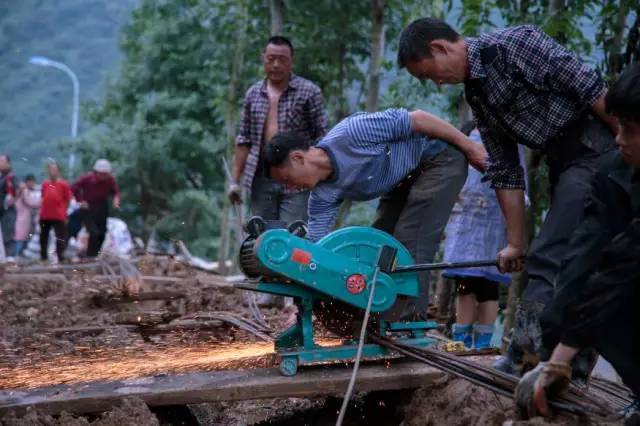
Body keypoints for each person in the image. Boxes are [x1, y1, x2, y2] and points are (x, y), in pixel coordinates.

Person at [397, 18, 617, 376]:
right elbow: (505, 168)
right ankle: (572, 363)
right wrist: (515, 243)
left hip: (598, 148)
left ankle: (526, 353)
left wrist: (629, 150)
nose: (436, 83)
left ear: (441, 47)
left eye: (430, 73)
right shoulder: (477, 96)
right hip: (562, 161)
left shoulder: (517, 44)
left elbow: (590, 88)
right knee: (583, 258)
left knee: (551, 254)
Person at [264, 108, 487, 319]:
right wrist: (299, 291)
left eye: (287, 180)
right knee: (379, 246)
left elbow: (419, 119)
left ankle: (408, 324)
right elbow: (316, 250)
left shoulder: (352, 133)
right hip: (402, 178)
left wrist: (469, 146)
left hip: (438, 157)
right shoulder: (322, 196)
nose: (291, 189)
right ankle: (376, 317)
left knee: (411, 240)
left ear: (297, 158)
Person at [514, 64, 640, 424]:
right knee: (591, 310)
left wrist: (562, 356)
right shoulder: (615, 172)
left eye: (629, 131)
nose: (618, 139)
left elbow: (623, 268)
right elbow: (583, 257)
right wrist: (552, 353)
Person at [228, 35, 328, 224]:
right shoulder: (253, 94)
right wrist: (235, 181)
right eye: (271, 58)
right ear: (263, 58)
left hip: (297, 181)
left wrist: (316, 174)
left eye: (282, 59)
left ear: (291, 62)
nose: (275, 65)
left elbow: (322, 137)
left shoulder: (309, 92)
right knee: (262, 239)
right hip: (261, 179)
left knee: (292, 238)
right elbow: (244, 140)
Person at [443, 123, 525, 349]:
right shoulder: (465, 133)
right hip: (465, 218)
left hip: (494, 218)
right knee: (464, 283)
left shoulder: (510, 138)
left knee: (488, 281)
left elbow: (520, 179)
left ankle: (483, 343)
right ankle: (461, 338)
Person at [71, 159, 120, 257]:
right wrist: (80, 200)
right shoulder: (87, 178)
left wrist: (116, 200)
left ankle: (94, 255)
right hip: (88, 207)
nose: (104, 176)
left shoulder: (110, 180)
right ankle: (90, 256)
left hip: (102, 207)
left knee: (102, 233)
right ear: (96, 173)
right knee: (93, 232)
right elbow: (74, 188)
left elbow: (115, 192)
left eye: (105, 174)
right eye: (101, 174)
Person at [40, 163, 72, 262]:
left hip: (59, 215)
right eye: (51, 169)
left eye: (54, 169)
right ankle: (44, 258)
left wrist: (65, 212)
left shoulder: (63, 184)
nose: (52, 171)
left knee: (60, 238)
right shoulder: (45, 184)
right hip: (45, 215)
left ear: (58, 171)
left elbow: (68, 199)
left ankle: (60, 258)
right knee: (43, 237)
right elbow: (43, 197)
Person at [14, 175, 40, 257]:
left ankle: (18, 253)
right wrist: (41, 202)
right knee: (19, 236)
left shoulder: (22, 188)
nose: (33, 184)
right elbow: (30, 202)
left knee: (22, 235)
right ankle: (16, 254)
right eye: (32, 182)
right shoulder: (24, 189)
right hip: (22, 216)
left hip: (21, 215)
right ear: (28, 181)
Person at [0, 154, 17, 257]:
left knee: (8, 235)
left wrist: (11, 199)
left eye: (2, 161)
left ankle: (9, 257)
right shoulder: (1, 176)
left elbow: (20, 189)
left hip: (8, 211)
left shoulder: (11, 176)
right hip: (1, 210)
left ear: (8, 163)